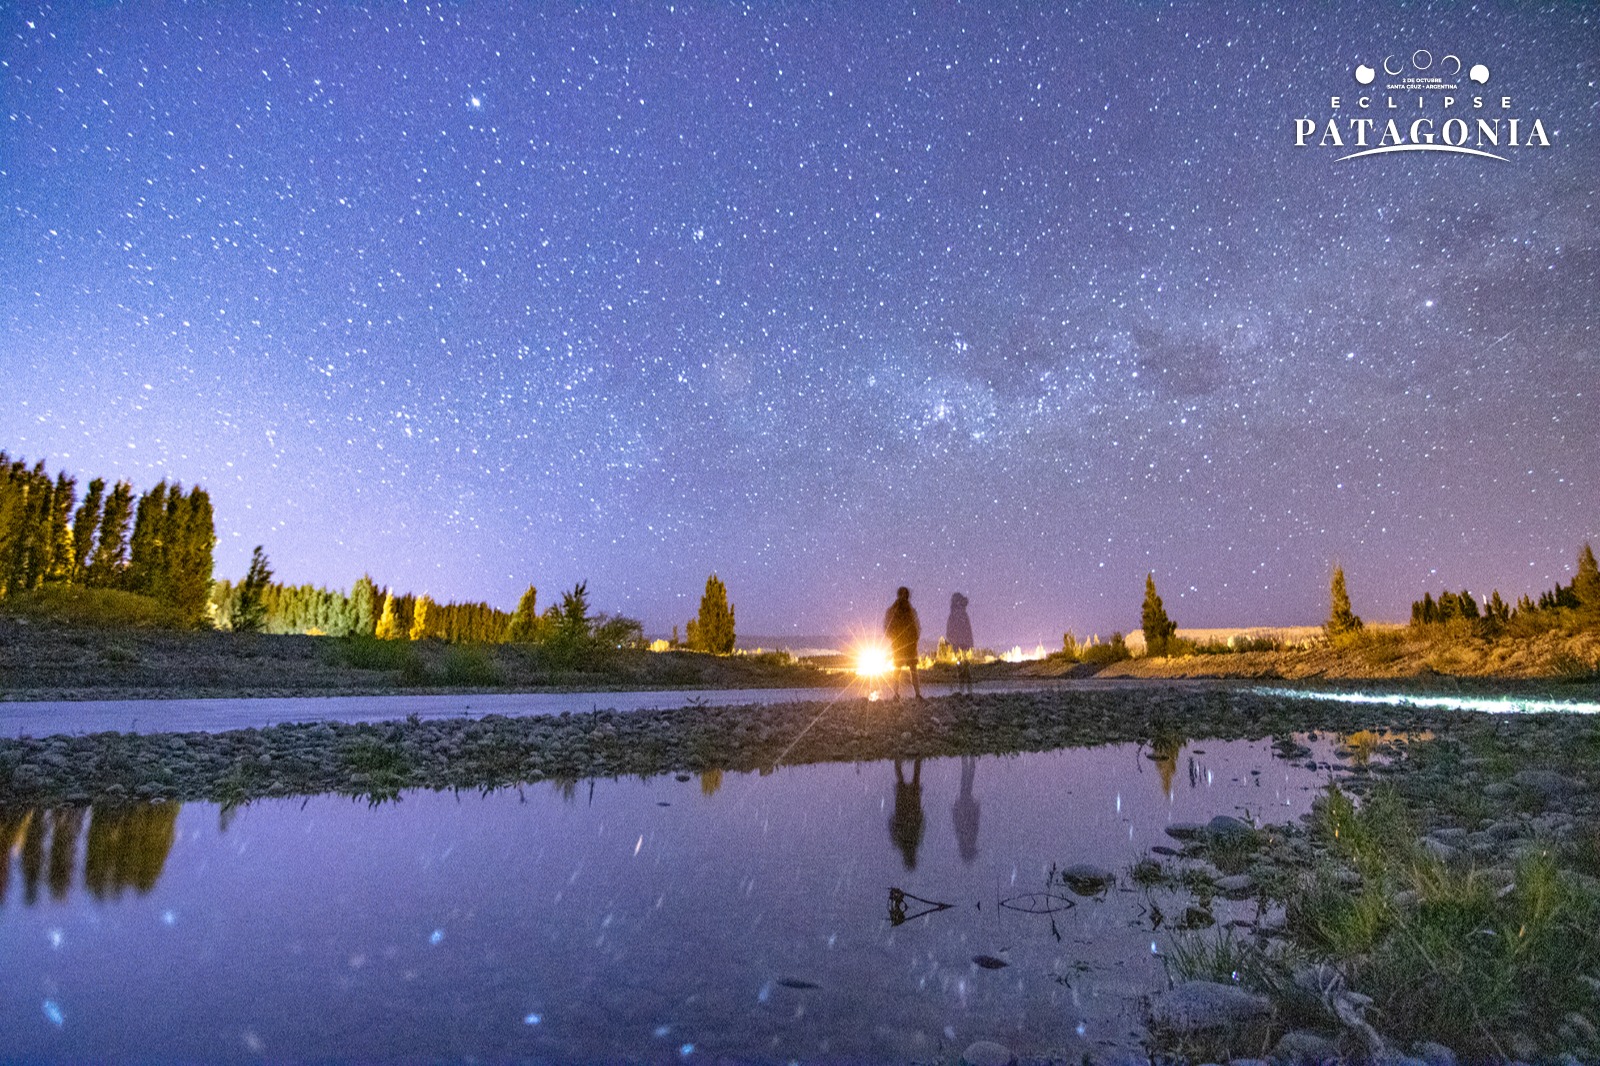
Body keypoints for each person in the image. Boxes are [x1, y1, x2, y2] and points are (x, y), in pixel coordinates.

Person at [883, 586, 923, 700]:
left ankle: (896, 694)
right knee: (912, 669)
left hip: (900, 644)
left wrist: (893, 638)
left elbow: (887, 627)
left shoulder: (892, 610)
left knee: (898, 670)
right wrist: (915, 639)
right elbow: (917, 627)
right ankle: (917, 694)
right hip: (908, 644)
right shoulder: (910, 610)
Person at [945, 591, 974, 692]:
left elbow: (950, 631)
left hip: (959, 645)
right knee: (965, 665)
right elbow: (968, 631)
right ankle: (967, 689)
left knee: (961, 666)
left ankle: (963, 689)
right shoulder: (961, 614)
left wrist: (952, 641)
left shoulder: (954, 615)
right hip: (962, 644)